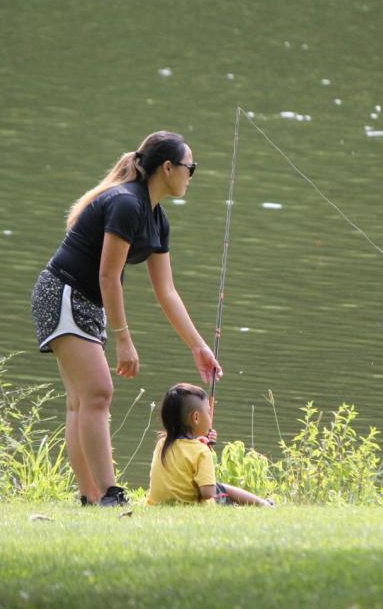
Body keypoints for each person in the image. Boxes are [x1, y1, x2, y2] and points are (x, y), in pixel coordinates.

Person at [31, 131, 222, 507]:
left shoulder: (156, 218)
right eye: (190, 167)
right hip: (64, 293)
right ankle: (108, 494)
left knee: (82, 400)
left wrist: (198, 346)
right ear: (167, 168)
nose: (191, 175)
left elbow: (166, 291)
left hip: (86, 300)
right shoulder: (126, 204)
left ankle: (90, 497)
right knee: (98, 393)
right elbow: (107, 275)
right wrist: (123, 338)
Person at [147, 383, 274, 507]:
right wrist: (203, 450)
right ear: (196, 418)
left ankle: (263, 503)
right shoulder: (201, 451)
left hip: (158, 504)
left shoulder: (161, 443)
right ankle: (264, 504)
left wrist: (199, 442)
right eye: (208, 411)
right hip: (190, 506)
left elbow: (183, 455)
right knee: (221, 488)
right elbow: (208, 493)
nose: (210, 416)